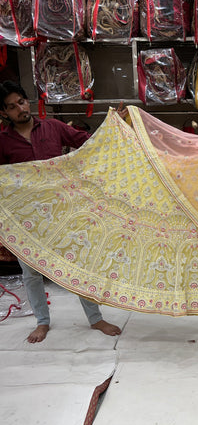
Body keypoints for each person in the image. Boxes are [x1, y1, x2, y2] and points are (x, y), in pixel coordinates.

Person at [0, 80, 126, 343]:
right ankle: (42, 322)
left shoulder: (53, 127)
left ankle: (95, 319)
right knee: (31, 273)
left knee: (78, 266)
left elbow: (92, 146)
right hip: (27, 221)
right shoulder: (3, 143)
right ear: (3, 113)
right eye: (11, 107)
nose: (20, 109)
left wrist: (115, 125)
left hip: (62, 214)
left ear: (28, 101)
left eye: (21, 102)